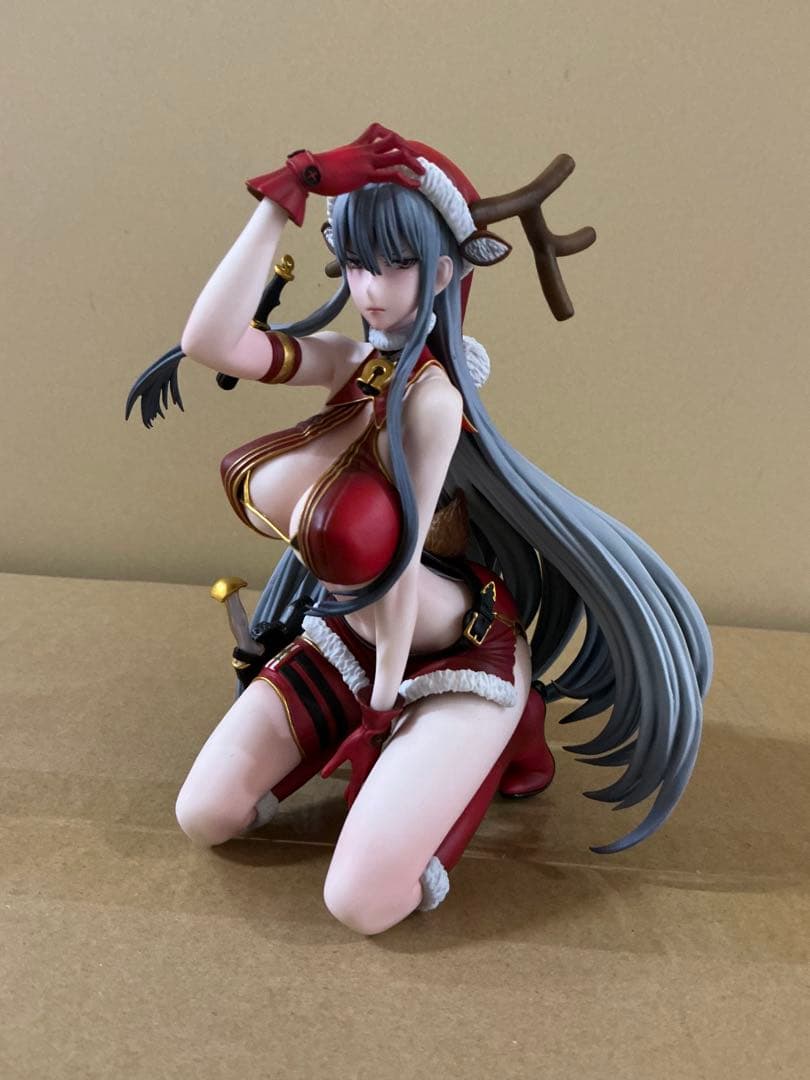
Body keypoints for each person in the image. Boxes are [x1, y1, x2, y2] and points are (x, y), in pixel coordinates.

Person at [166, 124, 711, 935]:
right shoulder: (350, 365)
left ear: (446, 270)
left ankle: (499, 733)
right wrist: (285, 193)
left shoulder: (431, 400)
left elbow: (395, 569)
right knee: (205, 814)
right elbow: (209, 341)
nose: (370, 287)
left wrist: (380, 711)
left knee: (360, 902)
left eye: (395, 264)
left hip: (453, 655)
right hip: (346, 640)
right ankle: (429, 752)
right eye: (356, 262)